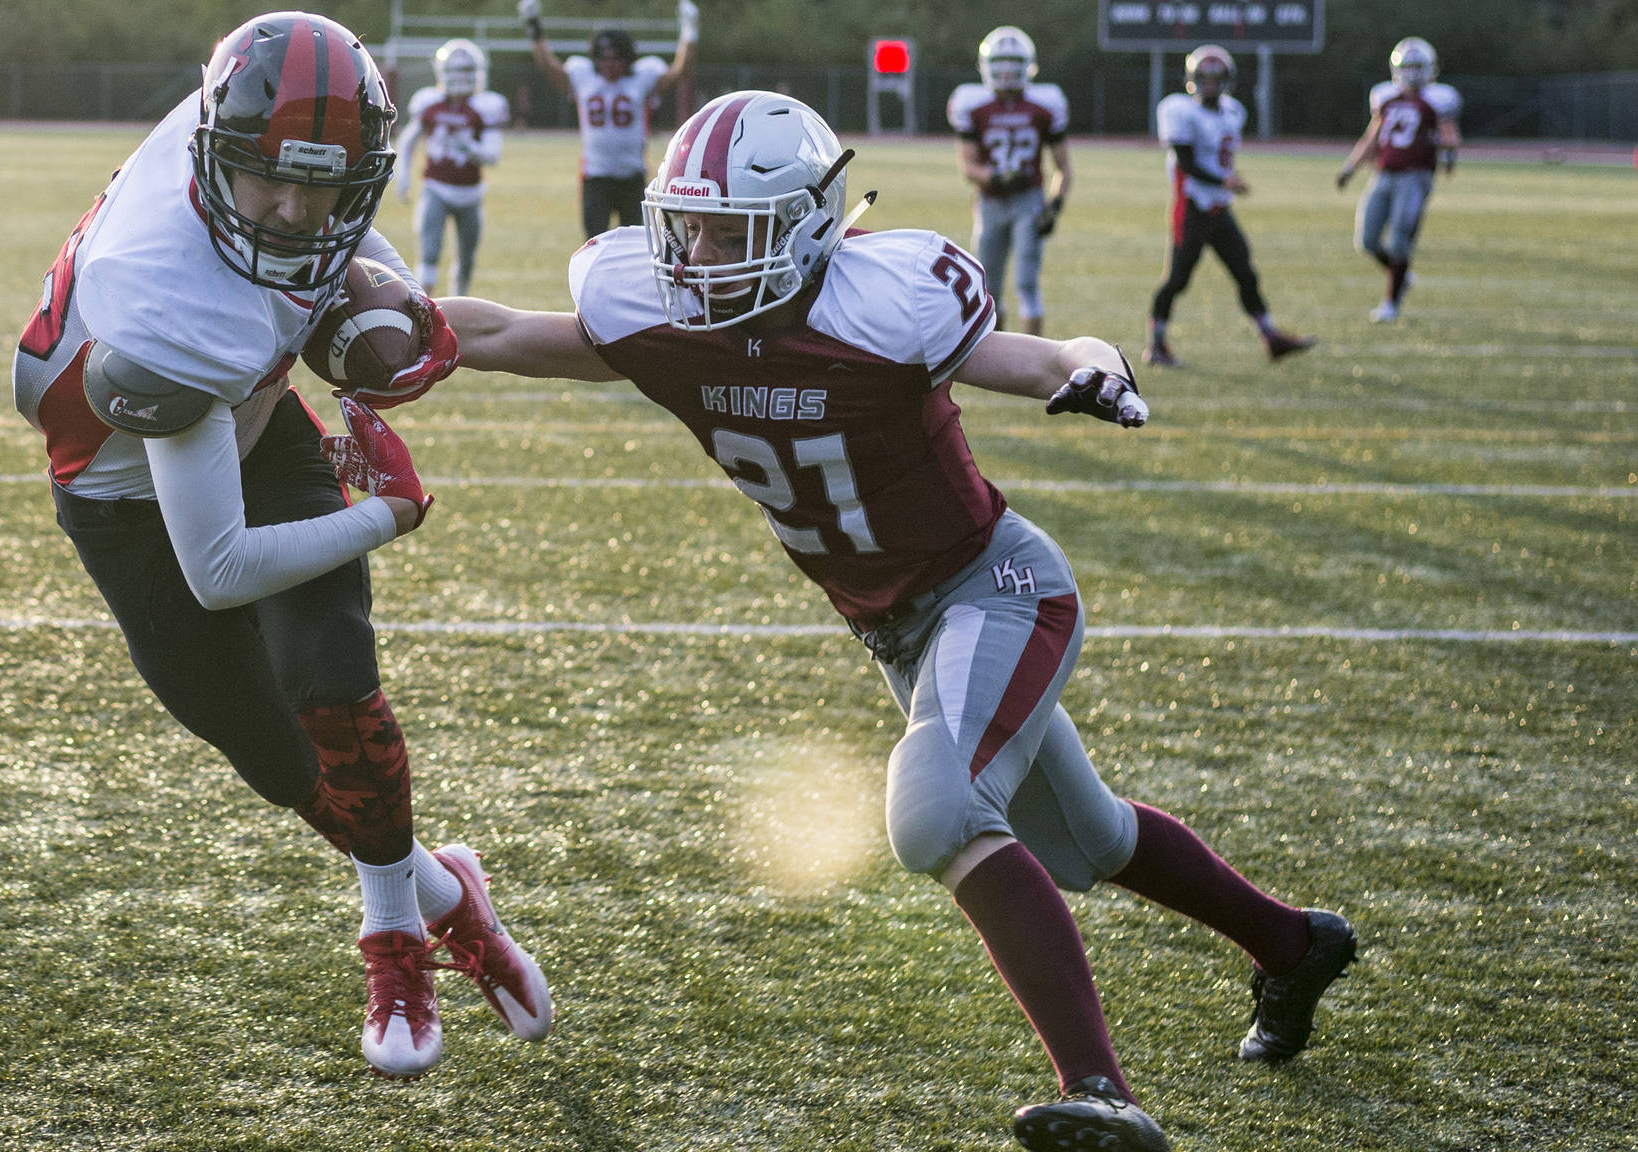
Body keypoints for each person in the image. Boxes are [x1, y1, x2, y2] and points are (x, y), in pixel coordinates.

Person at [437, 91, 1357, 1151]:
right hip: (897, 628)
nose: (696, 254)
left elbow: (1039, 353)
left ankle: (1101, 1094)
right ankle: (1292, 945)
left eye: (728, 231)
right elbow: (502, 329)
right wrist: (382, 319)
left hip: (994, 588)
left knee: (935, 810)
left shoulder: (884, 305)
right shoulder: (657, 320)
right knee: (1085, 840)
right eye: (685, 226)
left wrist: (1092, 365)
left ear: (806, 226)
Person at [8, 10, 551, 1082]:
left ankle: (393, 934)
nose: (297, 211)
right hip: (122, 495)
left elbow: (336, 229)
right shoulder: (162, 293)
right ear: (217, 153)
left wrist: (394, 294)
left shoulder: (277, 151)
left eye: (325, 189)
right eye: (271, 183)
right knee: (272, 758)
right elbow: (215, 573)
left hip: (251, 430)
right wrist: (386, 511)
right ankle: (445, 895)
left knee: (329, 681)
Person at [1144, 45, 1314, 368]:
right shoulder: (1179, 110)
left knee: (1246, 274)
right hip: (1192, 207)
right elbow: (1187, 163)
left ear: (1226, 80)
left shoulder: (1233, 111)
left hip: (1220, 209)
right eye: (1203, 78)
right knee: (1177, 279)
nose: (1209, 84)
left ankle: (1271, 338)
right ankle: (1155, 345)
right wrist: (1225, 182)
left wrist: (1225, 185)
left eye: (1215, 78)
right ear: (1192, 80)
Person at [519, 0, 698, 239]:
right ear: (595, 59)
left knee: (635, 244)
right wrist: (533, 26)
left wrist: (690, 30)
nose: (610, 65)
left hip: (632, 176)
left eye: (616, 59)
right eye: (604, 59)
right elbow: (547, 64)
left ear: (628, 59)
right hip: (596, 177)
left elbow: (679, 70)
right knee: (594, 245)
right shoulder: (583, 75)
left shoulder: (642, 77)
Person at [947, 26, 1072, 336]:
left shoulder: (1044, 105)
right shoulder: (973, 105)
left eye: (1012, 65)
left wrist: (1054, 207)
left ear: (1026, 66)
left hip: (1029, 201)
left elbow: (1064, 169)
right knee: (988, 288)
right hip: (990, 202)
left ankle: (1034, 357)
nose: (1005, 74)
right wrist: (997, 176)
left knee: (1027, 285)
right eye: (1000, 65)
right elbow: (967, 168)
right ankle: (1000, 356)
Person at [1335, 37, 1461, 324]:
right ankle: (1400, 276)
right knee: (1367, 240)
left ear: (1429, 69)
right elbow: (1372, 138)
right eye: (1408, 66)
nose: (1413, 73)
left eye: (1418, 67)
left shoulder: (1436, 100)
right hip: (1383, 174)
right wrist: (1350, 168)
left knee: (1401, 239)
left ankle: (1391, 304)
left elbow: (1450, 136)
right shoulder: (1385, 97)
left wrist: (1448, 156)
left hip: (1415, 176)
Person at [393, 39, 510, 296]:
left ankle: (459, 310)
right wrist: (402, 177)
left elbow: (493, 156)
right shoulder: (429, 103)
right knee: (429, 254)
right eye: (455, 71)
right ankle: (423, 310)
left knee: (466, 262)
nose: (459, 78)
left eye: (464, 71)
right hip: (435, 187)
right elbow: (407, 140)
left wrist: (469, 147)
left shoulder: (484, 107)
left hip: (470, 194)